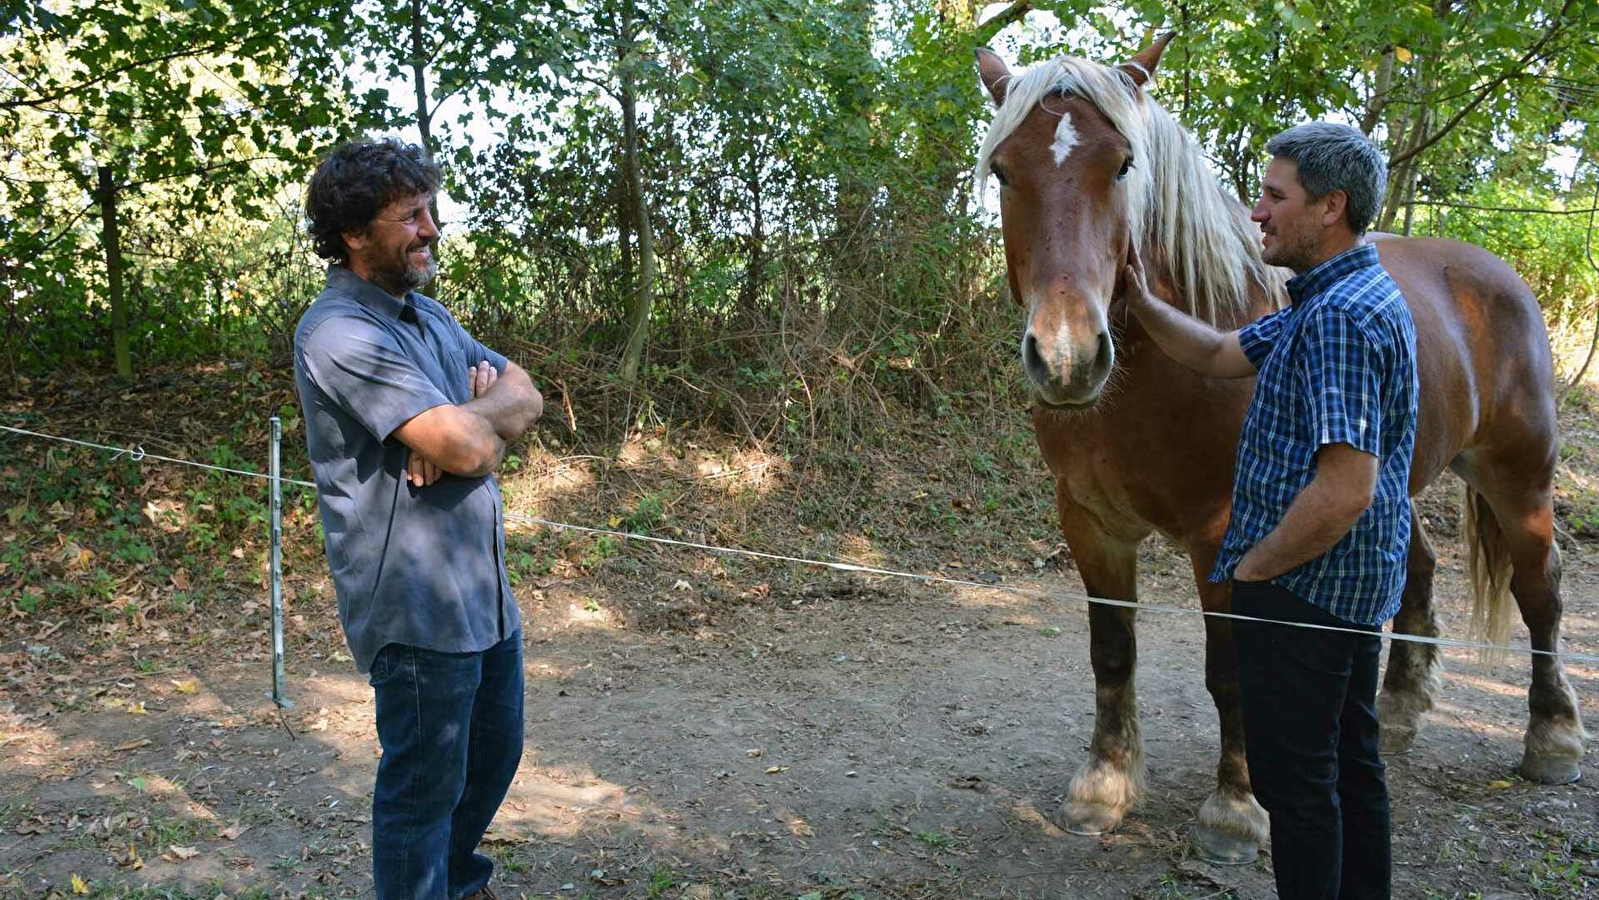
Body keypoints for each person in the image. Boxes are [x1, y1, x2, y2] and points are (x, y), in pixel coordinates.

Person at [1120, 122, 1416, 900]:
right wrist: (1139, 299)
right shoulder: (1333, 296)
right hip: (1342, 588)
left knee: (1299, 792)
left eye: (1274, 196)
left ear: (1330, 207)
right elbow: (1219, 354)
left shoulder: (1341, 320)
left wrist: (1251, 574)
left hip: (1303, 593)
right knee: (1351, 769)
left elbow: (1345, 487)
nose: (1256, 212)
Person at [293, 137, 543, 900]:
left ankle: (460, 886)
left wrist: (466, 421)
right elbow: (471, 446)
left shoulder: (425, 314)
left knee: (491, 758)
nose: (430, 228)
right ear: (354, 234)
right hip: (415, 608)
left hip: (482, 594)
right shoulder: (338, 331)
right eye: (409, 216)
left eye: (428, 209)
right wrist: (468, 432)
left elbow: (525, 393)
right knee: (421, 790)